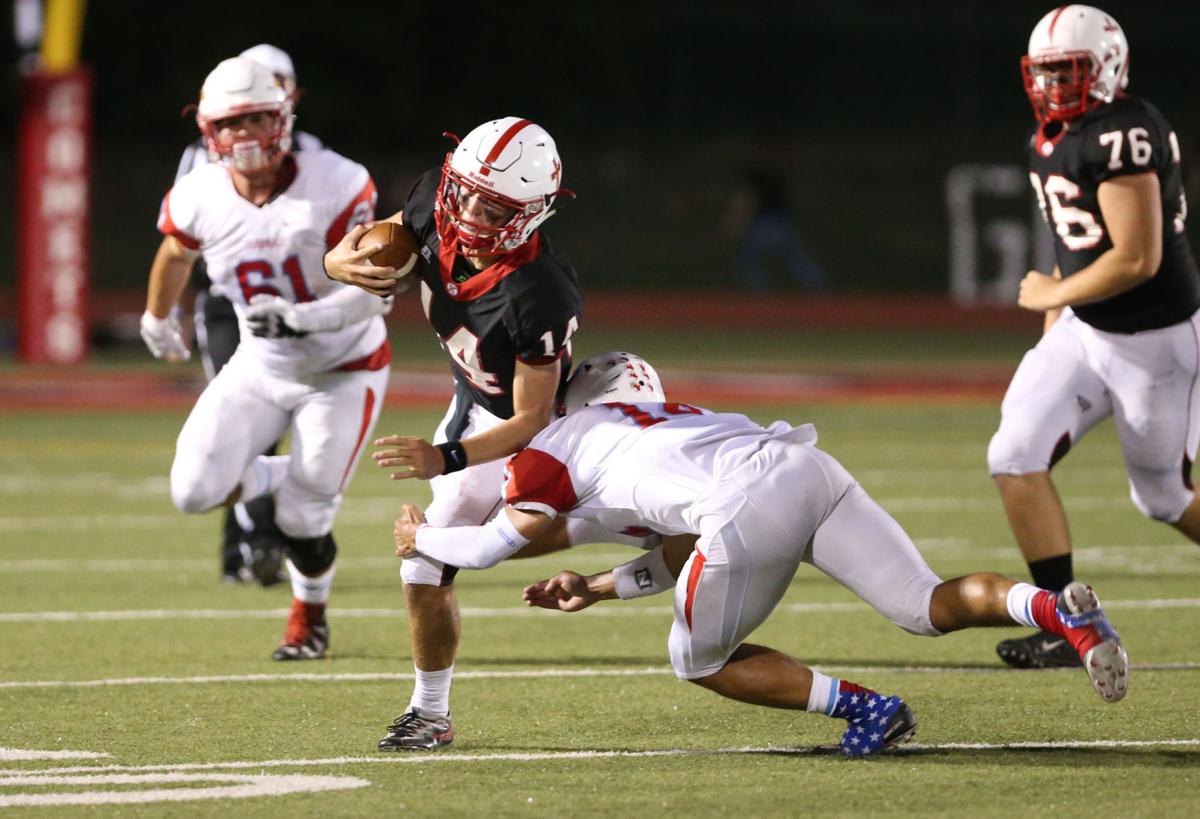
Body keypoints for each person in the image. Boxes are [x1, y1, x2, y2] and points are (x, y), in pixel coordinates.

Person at [392, 351, 1129, 758]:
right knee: (924, 602)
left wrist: (420, 539)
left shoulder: (558, 443)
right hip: (804, 467)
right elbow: (681, 551)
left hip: (743, 507)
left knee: (697, 659)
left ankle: (868, 709)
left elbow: (489, 546)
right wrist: (597, 585)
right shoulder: (678, 419)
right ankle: (1054, 609)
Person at [140, 56, 392, 660]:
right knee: (193, 491)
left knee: (304, 519)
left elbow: (376, 294)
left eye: (256, 118)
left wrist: (303, 318)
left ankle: (309, 618)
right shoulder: (199, 192)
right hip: (262, 365)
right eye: (231, 122)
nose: (245, 134)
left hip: (342, 369)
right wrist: (156, 317)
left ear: (282, 118)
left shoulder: (336, 181)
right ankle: (297, 473)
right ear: (209, 131)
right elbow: (175, 253)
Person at [989, 5, 1200, 668]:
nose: (1054, 84)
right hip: (1087, 327)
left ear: (1107, 67)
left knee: (1163, 497)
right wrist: (1052, 330)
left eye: (1069, 70)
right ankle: (1067, 624)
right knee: (1013, 454)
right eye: (1046, 71)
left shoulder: (1124, 130)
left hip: (1154, 338)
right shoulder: (1050, 137)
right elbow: (1076, 250)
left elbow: (1137, 257)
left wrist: (1051, 296)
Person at [172, 44, 324, 587]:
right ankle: (255, 543)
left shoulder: (316, 157)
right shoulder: (204, 155)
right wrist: (172, 307)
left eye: (278, 83)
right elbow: (180, 240)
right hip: (228, 302)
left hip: (297, 307)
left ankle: (256, 544)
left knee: (296, 421)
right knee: (239, 423)